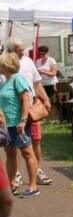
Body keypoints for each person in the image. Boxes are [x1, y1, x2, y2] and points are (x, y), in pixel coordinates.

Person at [6, 39, 52, 188]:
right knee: (14, 146)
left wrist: (45, 99)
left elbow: (37, 82)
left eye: (22, 49)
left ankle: (36, 171)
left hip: (31, 109)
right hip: (13, 111)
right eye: (19, 50)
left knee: (35, 140)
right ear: (11, 50)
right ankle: (17, 174)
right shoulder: (5, 63)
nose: (22, 52)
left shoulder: (27, 61)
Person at [0, 51, 40, 197]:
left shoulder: (18, 78)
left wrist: (23, 120)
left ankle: (33, 186)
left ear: (6, 65)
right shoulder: (4, 81)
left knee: (27, 153)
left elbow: (25, 100)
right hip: (7, 125)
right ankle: (11, 184)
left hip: (18, 124)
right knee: (10, 154)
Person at [35, 45, 59, 120]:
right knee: (42, 102)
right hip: (41, 85)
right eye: (40, 54)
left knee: (52, 101)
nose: (41, 55)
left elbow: (54, 73)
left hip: (51, 84)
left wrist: (43, 71)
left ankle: (53, 119)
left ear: (46, 53)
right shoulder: (38, 61)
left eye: (43, 54)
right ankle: (44, 118)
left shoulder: (51, 61)